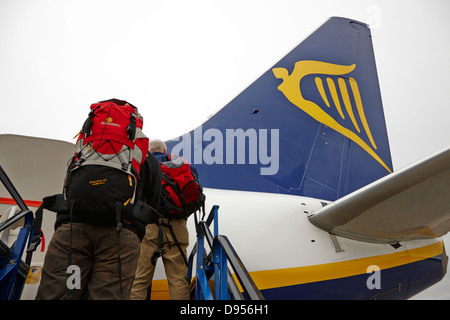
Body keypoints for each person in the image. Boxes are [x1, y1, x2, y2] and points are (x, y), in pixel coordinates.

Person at [35, 115, 161, 300]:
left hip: (72, 235)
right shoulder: (146, 158)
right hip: (118, 239)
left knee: (63, 294)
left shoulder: (86, 149)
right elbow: (153, 203)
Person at [130, 139, 192, 300]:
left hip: (149, 225)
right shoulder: (180, 165)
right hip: (177, 226)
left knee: (139, 280)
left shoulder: (143, 166)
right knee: (178, 279)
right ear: (165, 149)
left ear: (149, 151)